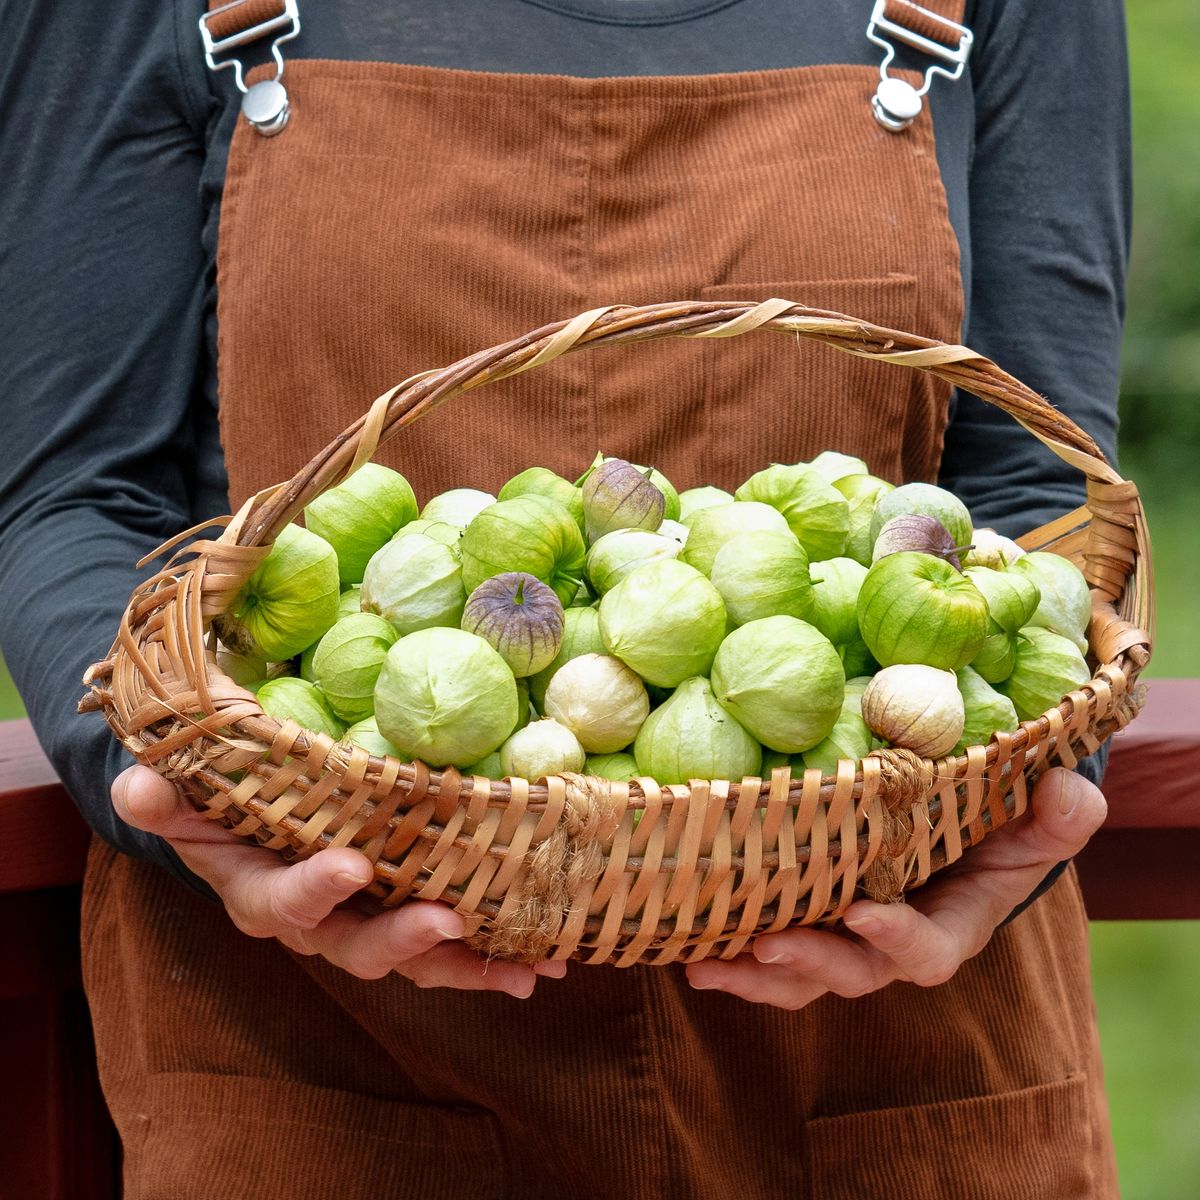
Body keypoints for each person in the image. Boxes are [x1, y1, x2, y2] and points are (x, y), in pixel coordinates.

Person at [0, 1, 1130, 1196]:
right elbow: (76, 493)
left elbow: (1038, 495)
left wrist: (1014, 827)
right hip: (316, 1034)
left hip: (889, 1024)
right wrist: (192, 805)